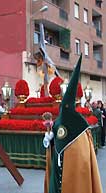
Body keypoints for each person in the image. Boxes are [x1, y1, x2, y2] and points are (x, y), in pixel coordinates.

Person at [43, 55, 102, 193]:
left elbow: (85, 160)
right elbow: (52, 141)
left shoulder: (81, 127)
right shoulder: (58, 121)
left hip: (75, 174)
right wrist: (48, 136)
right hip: (58, 173)